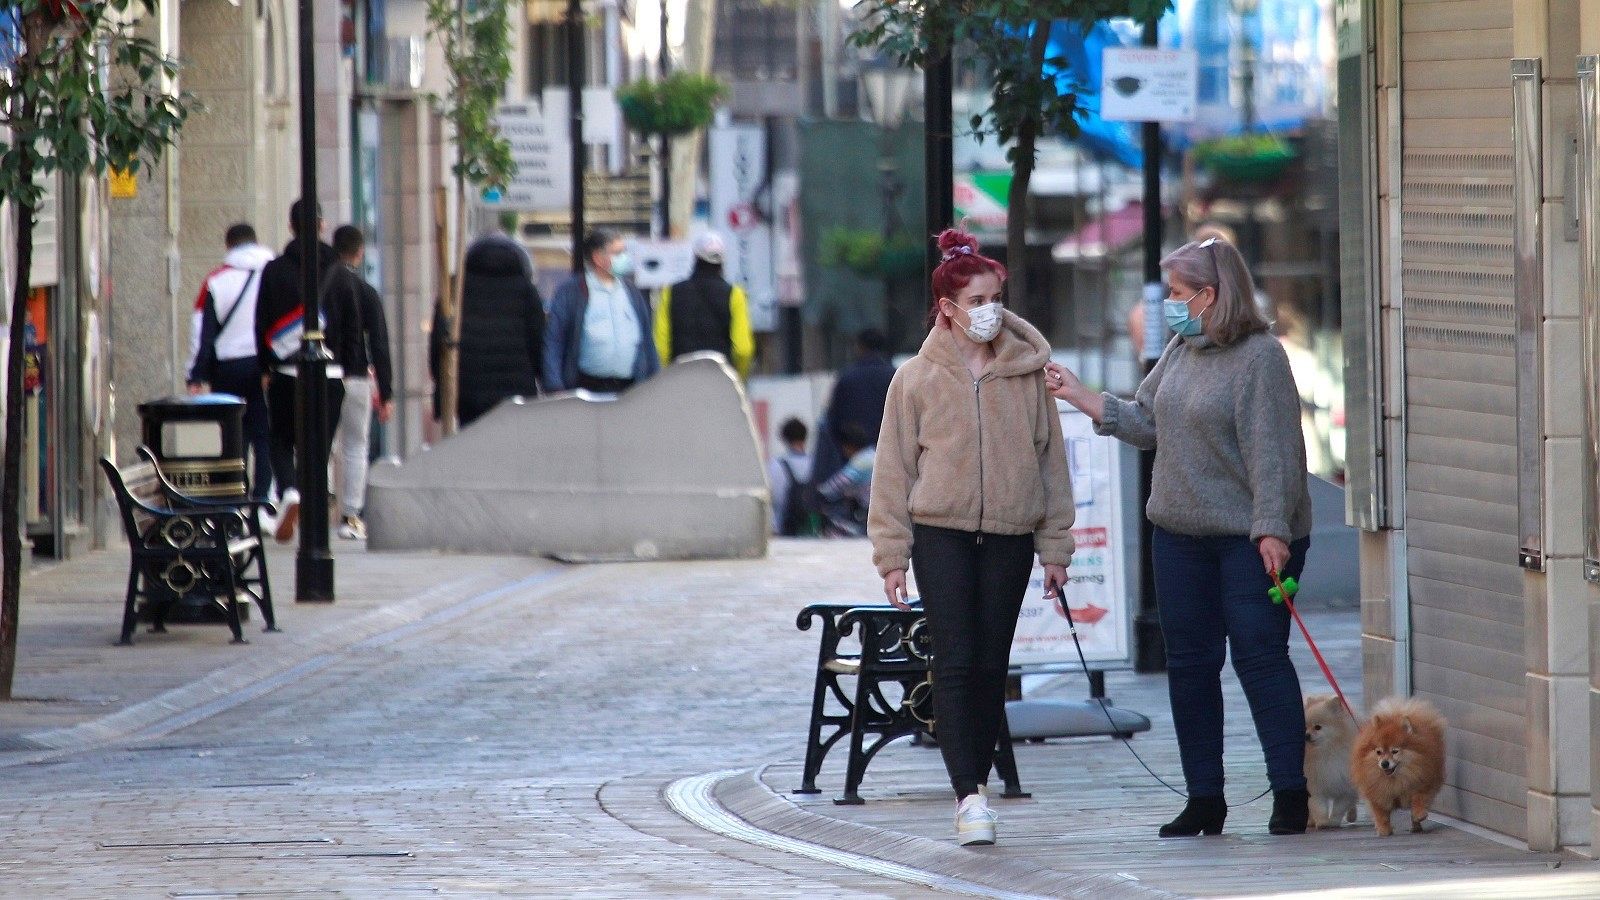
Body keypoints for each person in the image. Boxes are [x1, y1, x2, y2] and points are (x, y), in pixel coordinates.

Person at [1047, 235, 1314, 838]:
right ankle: (1204, 798)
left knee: (1259, 656)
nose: (1168, 303)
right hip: (1180, 534)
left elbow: (1274, 450)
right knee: (1190, 666)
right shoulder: (1181, 349)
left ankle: (1290, 793)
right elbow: (1146, 421)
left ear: (1210, 295)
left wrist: (1271, 528)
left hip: (1249, 539)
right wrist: (1080, 395)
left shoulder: (1260, 356)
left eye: (1176, 292)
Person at [868, 228, 1074, 847]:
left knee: (991, 665)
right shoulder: (914, 379)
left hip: (1011, 534)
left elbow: (1051, 464)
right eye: (977, 300)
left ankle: (976, 780)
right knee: (955, 662)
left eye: (995, 299)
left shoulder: (1028, 375)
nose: (989, 311)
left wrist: (1056, 547)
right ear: (948, 307)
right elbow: (892, 470)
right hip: (941, 535)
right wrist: (891, 555)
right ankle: (969, 794)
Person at [255, 199, 359, 543]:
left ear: (290, 227)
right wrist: (348, 367)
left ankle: (289, 491)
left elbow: (262, 321)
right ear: (322, 225)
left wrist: (265, 365)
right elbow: (351, 326)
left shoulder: (274, 270)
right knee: (318, 447)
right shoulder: (340, 272)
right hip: (330, 374)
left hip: (287, 370)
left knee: (281, 441)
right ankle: (308, 508)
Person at [186, 223, 275, 501]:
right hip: (263, 366)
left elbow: (203, 332)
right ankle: (263, 500)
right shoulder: (272, 274)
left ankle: (237, 495)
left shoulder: (216, 281)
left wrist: (195, 375)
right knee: (264, 434)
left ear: (229, 246)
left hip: (227, 367)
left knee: (234, 435)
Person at [431, 232, 544, 427]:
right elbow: (538, 341)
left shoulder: (455, 290)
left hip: (467, 392)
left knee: (473, 448)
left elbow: (438, 342)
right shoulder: (526, 291)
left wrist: (441, 380)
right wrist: (538, 375)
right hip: (515, 391)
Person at [330, 225, 395, 541]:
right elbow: (380, 345)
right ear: (359, 253)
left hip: (324, 376)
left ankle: (319, 506)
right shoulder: (366, 292)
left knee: (325, 446)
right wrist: (386, 392)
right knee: (356, 446)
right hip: (356, 378)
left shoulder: (323, 287)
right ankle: (350, 516)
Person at [543, 229, 659, 393]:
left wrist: (655, 383)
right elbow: (554, 340)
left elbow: (647, 340)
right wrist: (555, 385)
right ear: (598, 257)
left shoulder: (632, 291)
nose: (624, 257)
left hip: (631, 391)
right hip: (587, 389)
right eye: (618, 253)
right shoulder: (572, 292)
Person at [653, 231, 754, 379]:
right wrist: (738, 376)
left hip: (680, 379)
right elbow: (743, 349)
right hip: (720, 381)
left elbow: (661, 346)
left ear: (695, 258)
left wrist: (668, 375)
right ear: (722, 261)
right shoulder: (735, 294)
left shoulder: (670, 292)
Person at [822, 327, 896, 468]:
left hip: (854, 457)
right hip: (890, 456)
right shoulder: (895, 376)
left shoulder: (847, 378)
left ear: (860, 347)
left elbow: (833, 421)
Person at [817, 421, 874, 537]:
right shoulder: (873, 454)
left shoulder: (860, 462)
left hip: (867, 513)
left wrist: (818, 492)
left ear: (848, 446)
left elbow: (837, 484)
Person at [767, 417, 814, 536]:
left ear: (784, 439)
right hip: (813, 529)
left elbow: (775, 498)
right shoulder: (816, 463)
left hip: (784, 530)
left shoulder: (776, 465)